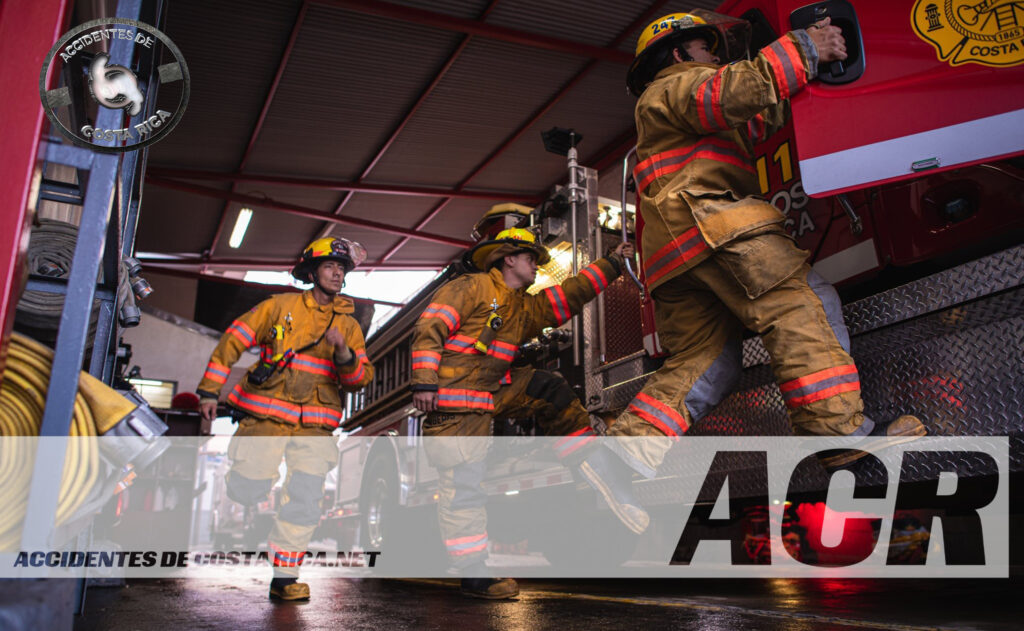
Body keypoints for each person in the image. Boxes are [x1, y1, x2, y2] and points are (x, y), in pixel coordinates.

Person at [596, 11, 925, 485]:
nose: (715, 58)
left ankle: (619, 457)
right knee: (800, 306)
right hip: (713, 225)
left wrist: (793, 80)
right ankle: (838, 435)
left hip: (675, 255)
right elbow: (724, 95)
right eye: (706, 48)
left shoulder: (671, 108)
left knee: (706, 361)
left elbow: (749, 115)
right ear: (678, 52)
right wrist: (805, 48)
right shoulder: (677, 83)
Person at [411, 226, 641, 599]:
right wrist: (424, 381)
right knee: (463, 489)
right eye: (531, 258)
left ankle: (590, 464)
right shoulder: (470, 287)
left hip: (488, 393)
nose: (537, 266)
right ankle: (474, 575)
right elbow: (429, 328)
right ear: (509, 258)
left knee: (550, 389)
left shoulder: (521, 306)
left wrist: (613, 263)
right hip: (454, 404)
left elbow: (569, 295)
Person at [197, 236, 374, 602]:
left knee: (305, 500)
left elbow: (359, 379)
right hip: (266, 415)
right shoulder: (279, 307)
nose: (337, 273)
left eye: (342, 268)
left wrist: (344, 352)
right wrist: (209, 391)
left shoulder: (349, 327)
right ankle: (247, 484)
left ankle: (284, 577)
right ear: (312, 272)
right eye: (329, 266)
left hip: (314, 426)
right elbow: (233, 341)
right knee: (247, 489)